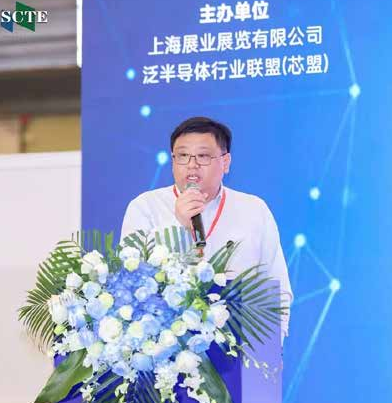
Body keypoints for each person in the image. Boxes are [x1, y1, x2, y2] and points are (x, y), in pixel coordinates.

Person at [121, 116, 292, 341]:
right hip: (165, 345)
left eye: (203, 156)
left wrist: (272, 343)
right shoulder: (145, 207)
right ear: (172, 161)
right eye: (183, 156)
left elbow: (276, 284)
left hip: (239, 344)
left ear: (226, 162)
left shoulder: (253, 209)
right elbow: (132, 280)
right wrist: (180, 226)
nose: (192, 165)